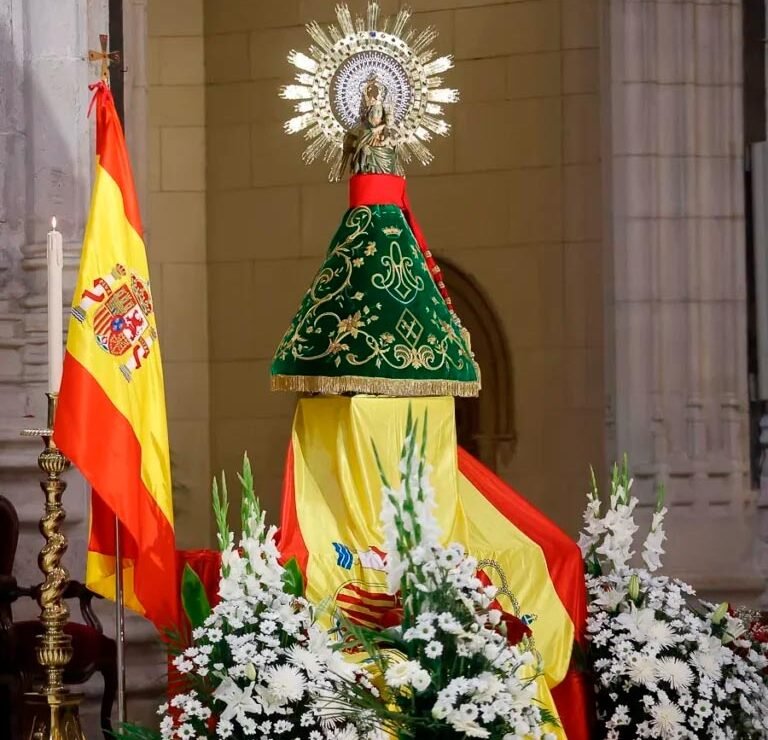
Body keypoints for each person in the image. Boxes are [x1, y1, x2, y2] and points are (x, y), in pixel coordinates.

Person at [271, 74, 480, 397]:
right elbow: (351, 157)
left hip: (390, 222)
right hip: (362, 222)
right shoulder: (359, 140)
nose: (375, 116)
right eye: (370, 112)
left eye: (379, 112)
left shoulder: (390, 142)